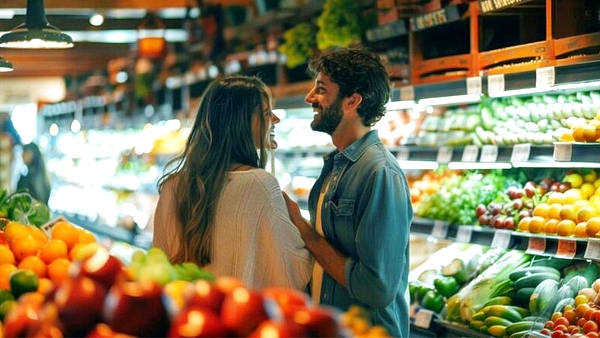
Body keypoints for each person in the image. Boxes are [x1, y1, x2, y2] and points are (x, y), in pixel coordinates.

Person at [282, 46, 414, 337]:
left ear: (352, 101)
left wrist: (304, 232)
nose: (309, 98)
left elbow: (376, 288)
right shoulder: (336, 163)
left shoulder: (379, 173)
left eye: (321, 89)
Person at [153, 75, 313, 291]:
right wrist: (302, 225)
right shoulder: (260, 183)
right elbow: (295, 269)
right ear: (240, 122)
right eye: (266, 113)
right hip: (238, 317)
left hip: (187, 315)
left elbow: (159, 267)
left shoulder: (173, 186)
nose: (275, 119)